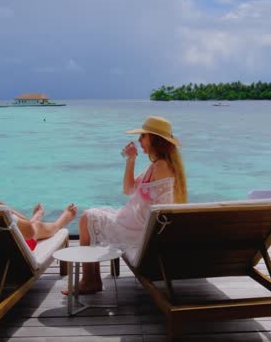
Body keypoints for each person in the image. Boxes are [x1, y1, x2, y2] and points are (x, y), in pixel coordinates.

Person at [64, 116, 187, 294]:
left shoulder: (160, 166)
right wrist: (131, 160)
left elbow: (156, 203)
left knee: (87, 218)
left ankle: (90, 281)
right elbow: (129, 190)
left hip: (142, 233)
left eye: (143, 136)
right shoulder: (159, 165)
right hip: (146, 229)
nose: (139, 140)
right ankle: (90, 280)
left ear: (155, 139)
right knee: (92, 216)